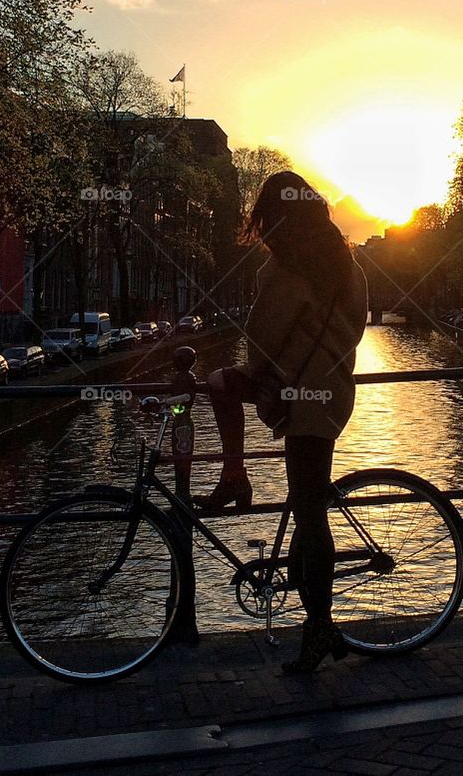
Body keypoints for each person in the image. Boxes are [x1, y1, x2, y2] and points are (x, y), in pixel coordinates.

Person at [194, 170, 368, 673]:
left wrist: (269, 377)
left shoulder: (286, 269)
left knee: (310, 511)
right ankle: (236, 478)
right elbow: (355, 330)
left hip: (301, 398)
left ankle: (319, 629)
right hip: (331, 392)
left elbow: (263, 337)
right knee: (308, 503)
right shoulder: (348, 266)